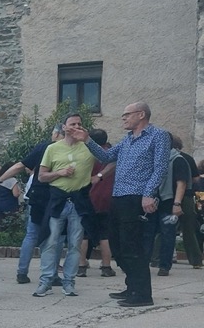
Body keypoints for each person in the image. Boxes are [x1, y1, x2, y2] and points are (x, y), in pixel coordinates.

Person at [68, 101, 169, 307]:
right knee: (117, 244)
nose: (123, 118)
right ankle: (132, 286)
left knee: (133, 246)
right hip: (118, 197)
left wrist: (148, 194)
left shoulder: (158, 136)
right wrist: (87, 139)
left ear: (141, 115)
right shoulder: (127, 139)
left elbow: (160, 168)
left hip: (137, 197)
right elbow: (106, 156)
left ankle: (142, 295)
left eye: (127, 115)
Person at [33, 114, 94, 297]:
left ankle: (69, 282)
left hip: (79, 200)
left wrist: (99, 177)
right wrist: (59, 173)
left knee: (75, 244)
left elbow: (110, 159)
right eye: (72, 124)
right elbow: (41, 176)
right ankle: (46, 281)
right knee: (50, 241)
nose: (76, 127)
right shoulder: (52, 148)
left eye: (79, 124)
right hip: (58, 199)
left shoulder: (88, 147)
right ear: (64, 127)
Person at [0, 125, 64, 284]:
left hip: (38, 194)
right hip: (58, 195)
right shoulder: (70, 150)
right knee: (56, 236)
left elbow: (21, 165)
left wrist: (0, 179)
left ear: (56, 134)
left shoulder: (43, 147)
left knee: (32, 234)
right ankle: (52, 273)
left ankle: (22, 272)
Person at [152, 132, 192, 277]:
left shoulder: (177, 160)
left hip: (169, 203)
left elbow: (181, 183)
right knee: (148, 234)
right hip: (153, 201)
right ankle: (145, 262)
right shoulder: (156, 159)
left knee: (167, 235)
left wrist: (177, 203)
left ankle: (164, 266)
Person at [82, 129, 117, 278]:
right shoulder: (112, 154)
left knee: (84, 234)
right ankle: (106, 266)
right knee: (105, 234)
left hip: (89, 196)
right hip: (108, 197)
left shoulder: (87, 154)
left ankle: (81, 265)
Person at [170, 135, 202, 270]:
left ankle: (157, 258)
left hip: (168, 196)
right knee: (189, 229)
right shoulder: (187, 158)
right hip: (187, 196)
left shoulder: (165, 157)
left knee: (165, 228)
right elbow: (196, 179)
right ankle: (196, 260)